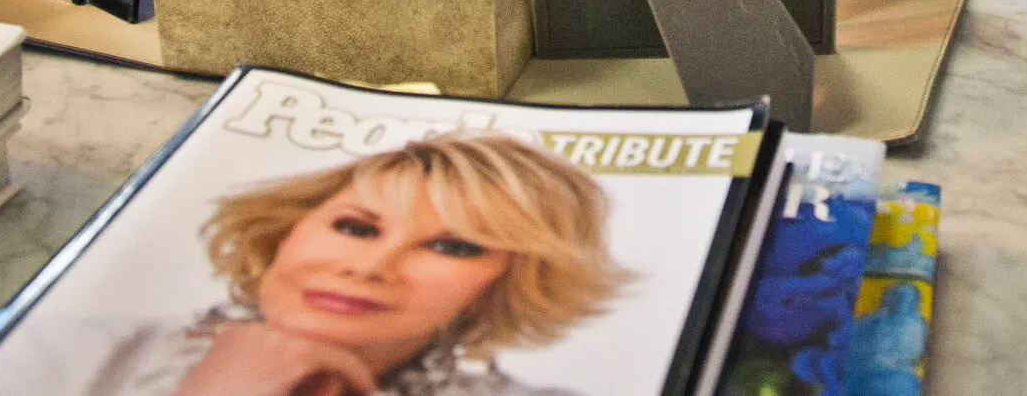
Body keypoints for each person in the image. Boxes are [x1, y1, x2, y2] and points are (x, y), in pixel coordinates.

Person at [82, 133, 628, 395]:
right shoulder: (73, 353)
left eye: (453, 246)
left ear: (507, 283)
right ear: (284, 234)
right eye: (356, 228)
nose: (371, 267)